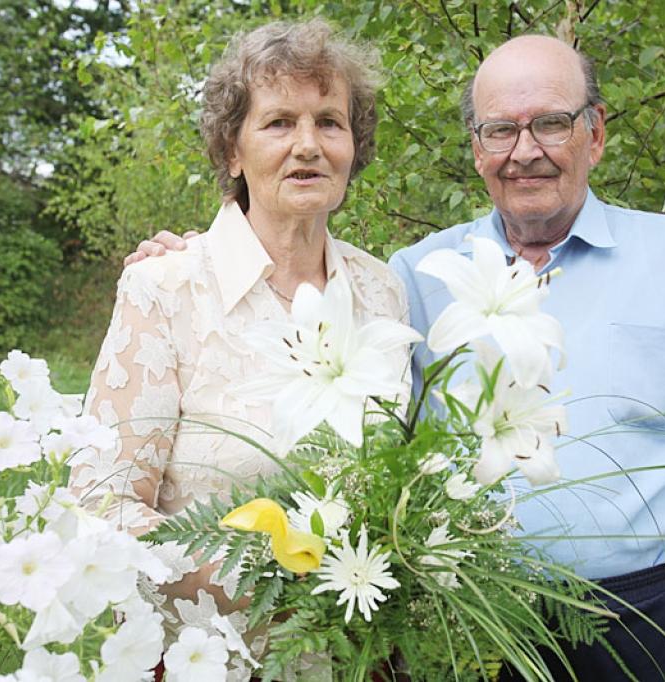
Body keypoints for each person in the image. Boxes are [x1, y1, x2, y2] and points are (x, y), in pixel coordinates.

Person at [127, 35, 665, 682]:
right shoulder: (413, 278)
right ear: (476, 149)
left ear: (596, 132)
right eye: (500, 131)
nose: (526, 152)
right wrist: (196, 259)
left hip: (646, 619)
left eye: (551, 124)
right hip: (460, 624)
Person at [71, 19, 408, 680]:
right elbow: (99, 506)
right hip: (210, 659)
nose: (308, 145)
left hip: (361, 661)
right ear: (232, 150)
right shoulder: (164, 289)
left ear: (355, 146)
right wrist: (269, 579)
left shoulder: (381, 290)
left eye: (330, 122)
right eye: (279, 122)